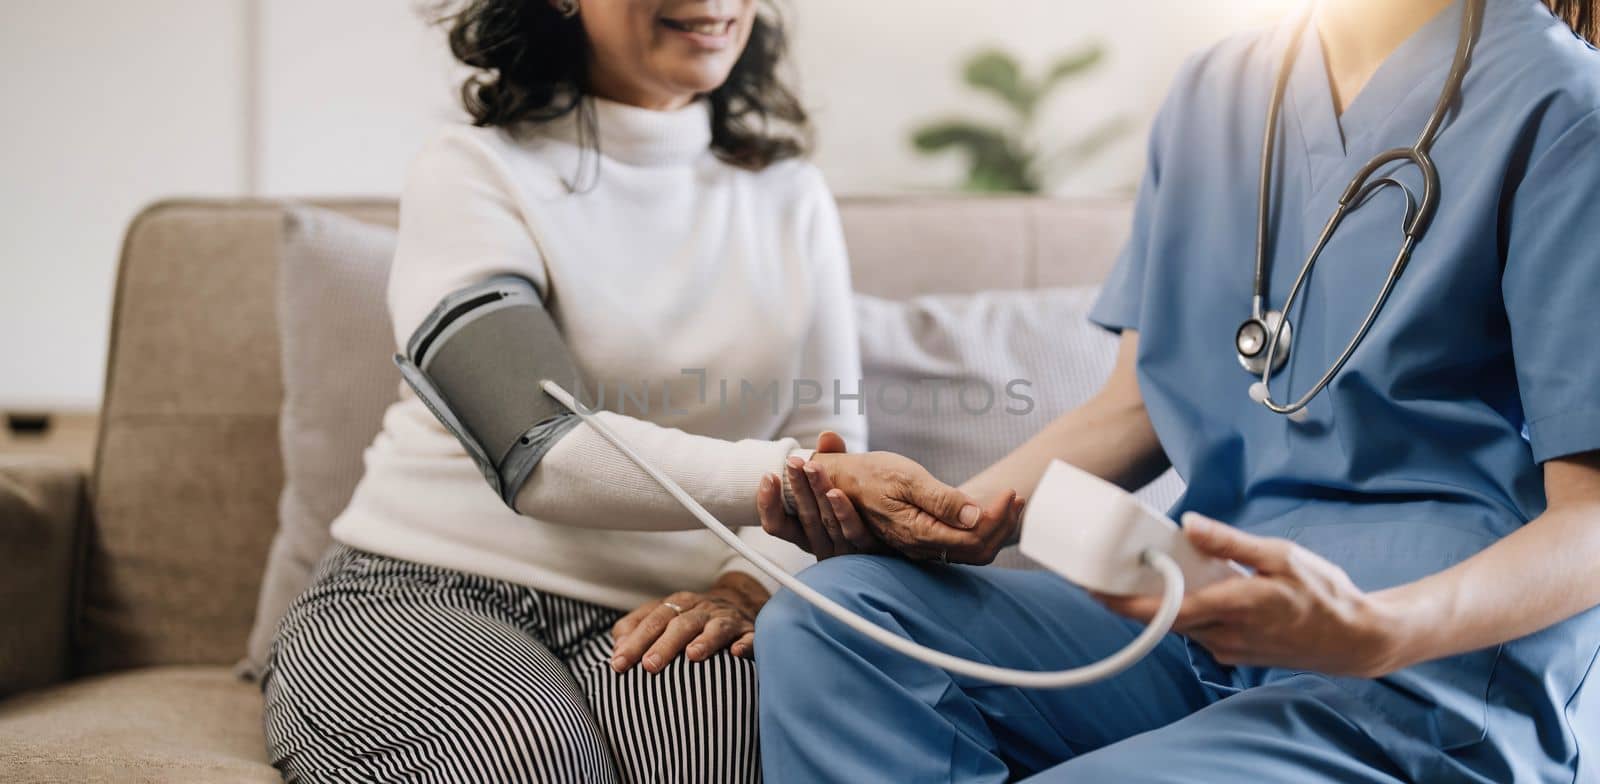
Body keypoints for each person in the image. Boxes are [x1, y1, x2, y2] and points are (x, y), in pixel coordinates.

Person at [752, 0, 1600, 781]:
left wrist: (1380, 632)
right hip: (1206, 618)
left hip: (1424, 670)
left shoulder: (1563, 106)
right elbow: (1136, 404)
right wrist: (948, 517)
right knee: (837, 623)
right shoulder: (1218, 88)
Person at [255, 1, 992, 781]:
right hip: (424, 587)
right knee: (520, 756)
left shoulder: (790, 194)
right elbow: (538, 449)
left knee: (720, 753)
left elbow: (826, 439)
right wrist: (805, 474)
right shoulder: (472, 172)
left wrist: (746, 584)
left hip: (677, 608)